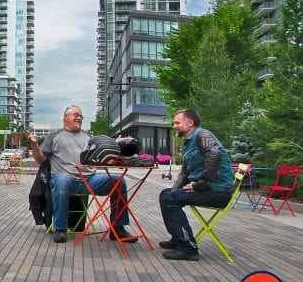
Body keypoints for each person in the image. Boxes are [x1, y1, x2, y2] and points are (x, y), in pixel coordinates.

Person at [25, 105, 138, 244]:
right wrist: (35, 145)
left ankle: (118, 229)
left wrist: (115, 146)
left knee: (118, 181)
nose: (79, 118)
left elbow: (100, 157)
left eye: (81, 116)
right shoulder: (54, 135)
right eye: (76, 115)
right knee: (63, 180)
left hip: (90, 180)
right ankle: (60, 229)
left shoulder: (88, 136)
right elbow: (39, 159)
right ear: (65, 117)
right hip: (64, 178)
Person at [158, 109, 234, 261]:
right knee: (166, 194)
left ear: (190, 122)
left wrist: (201, 183)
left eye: (177, 123)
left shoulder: (203, 135)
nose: (174, 126)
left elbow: (214, 154)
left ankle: (188, 248)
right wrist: (175, 189)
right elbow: (185, 172)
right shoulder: (188, 142)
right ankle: (178, 238)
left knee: (171, 199)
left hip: (218, 191)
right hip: (207, 189)